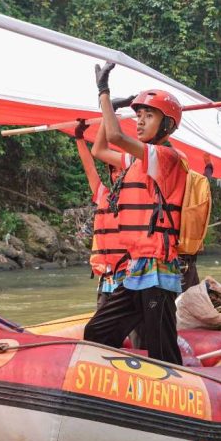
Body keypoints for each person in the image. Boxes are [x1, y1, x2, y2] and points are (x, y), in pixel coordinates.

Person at [83, 62, 188, 365]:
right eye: (138, 115)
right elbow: (100, 150)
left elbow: (116, 138)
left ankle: (174, 397)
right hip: (136, 269)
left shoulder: (166, 157)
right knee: (97, 331)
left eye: (148, 115)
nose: (140, 121)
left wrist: (103, 93)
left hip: (158, 269)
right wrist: (110, 113)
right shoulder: (137, 160)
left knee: (161, 347)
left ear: (166, 125)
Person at [73, 120, 125, 307]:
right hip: (107, 275)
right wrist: (79, 138)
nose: (117, 174)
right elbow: (89, 168)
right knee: (100, 323)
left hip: (129, 274)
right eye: (114, 171)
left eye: (121, 170)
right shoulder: (103, 194)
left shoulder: (139, 196)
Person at [177, 153, 214, 291]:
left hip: (184, 255)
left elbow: (206, 180)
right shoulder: (196, 188)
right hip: (185, 254)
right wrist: (209, 165)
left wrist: (209, 166)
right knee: (188, 294)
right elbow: (206, 179)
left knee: (191, 293)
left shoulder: (175, 192)